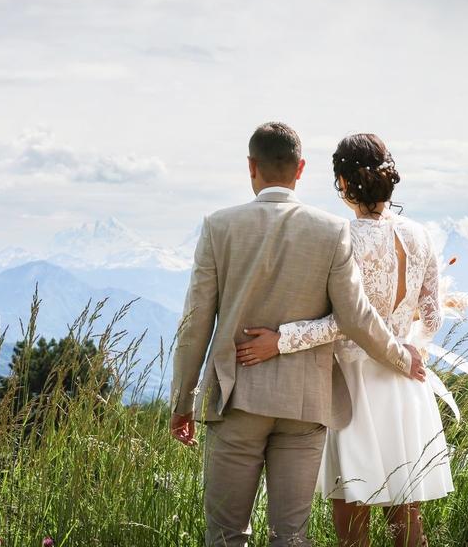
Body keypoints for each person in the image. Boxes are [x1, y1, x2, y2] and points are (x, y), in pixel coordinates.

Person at [169, 122, 426, 547]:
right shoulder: (331, 231)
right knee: (290, 537)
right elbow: (357, 318)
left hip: (236, 402)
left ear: (251, 167)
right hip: (305, 406)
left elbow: (195, 322)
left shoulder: (218, 226)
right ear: (301, 169)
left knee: (227, 535)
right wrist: (403, 357)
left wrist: (183, 401)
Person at [237, 133, 453, 547]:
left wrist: (280, 340)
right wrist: (409, 346)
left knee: (352, 512)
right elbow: (432, 317)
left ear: (342, 183)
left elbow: (344, 324)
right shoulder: (420, 235)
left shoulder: (343, 237)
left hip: (354, 386)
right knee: (406, 515)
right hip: (405, 384)